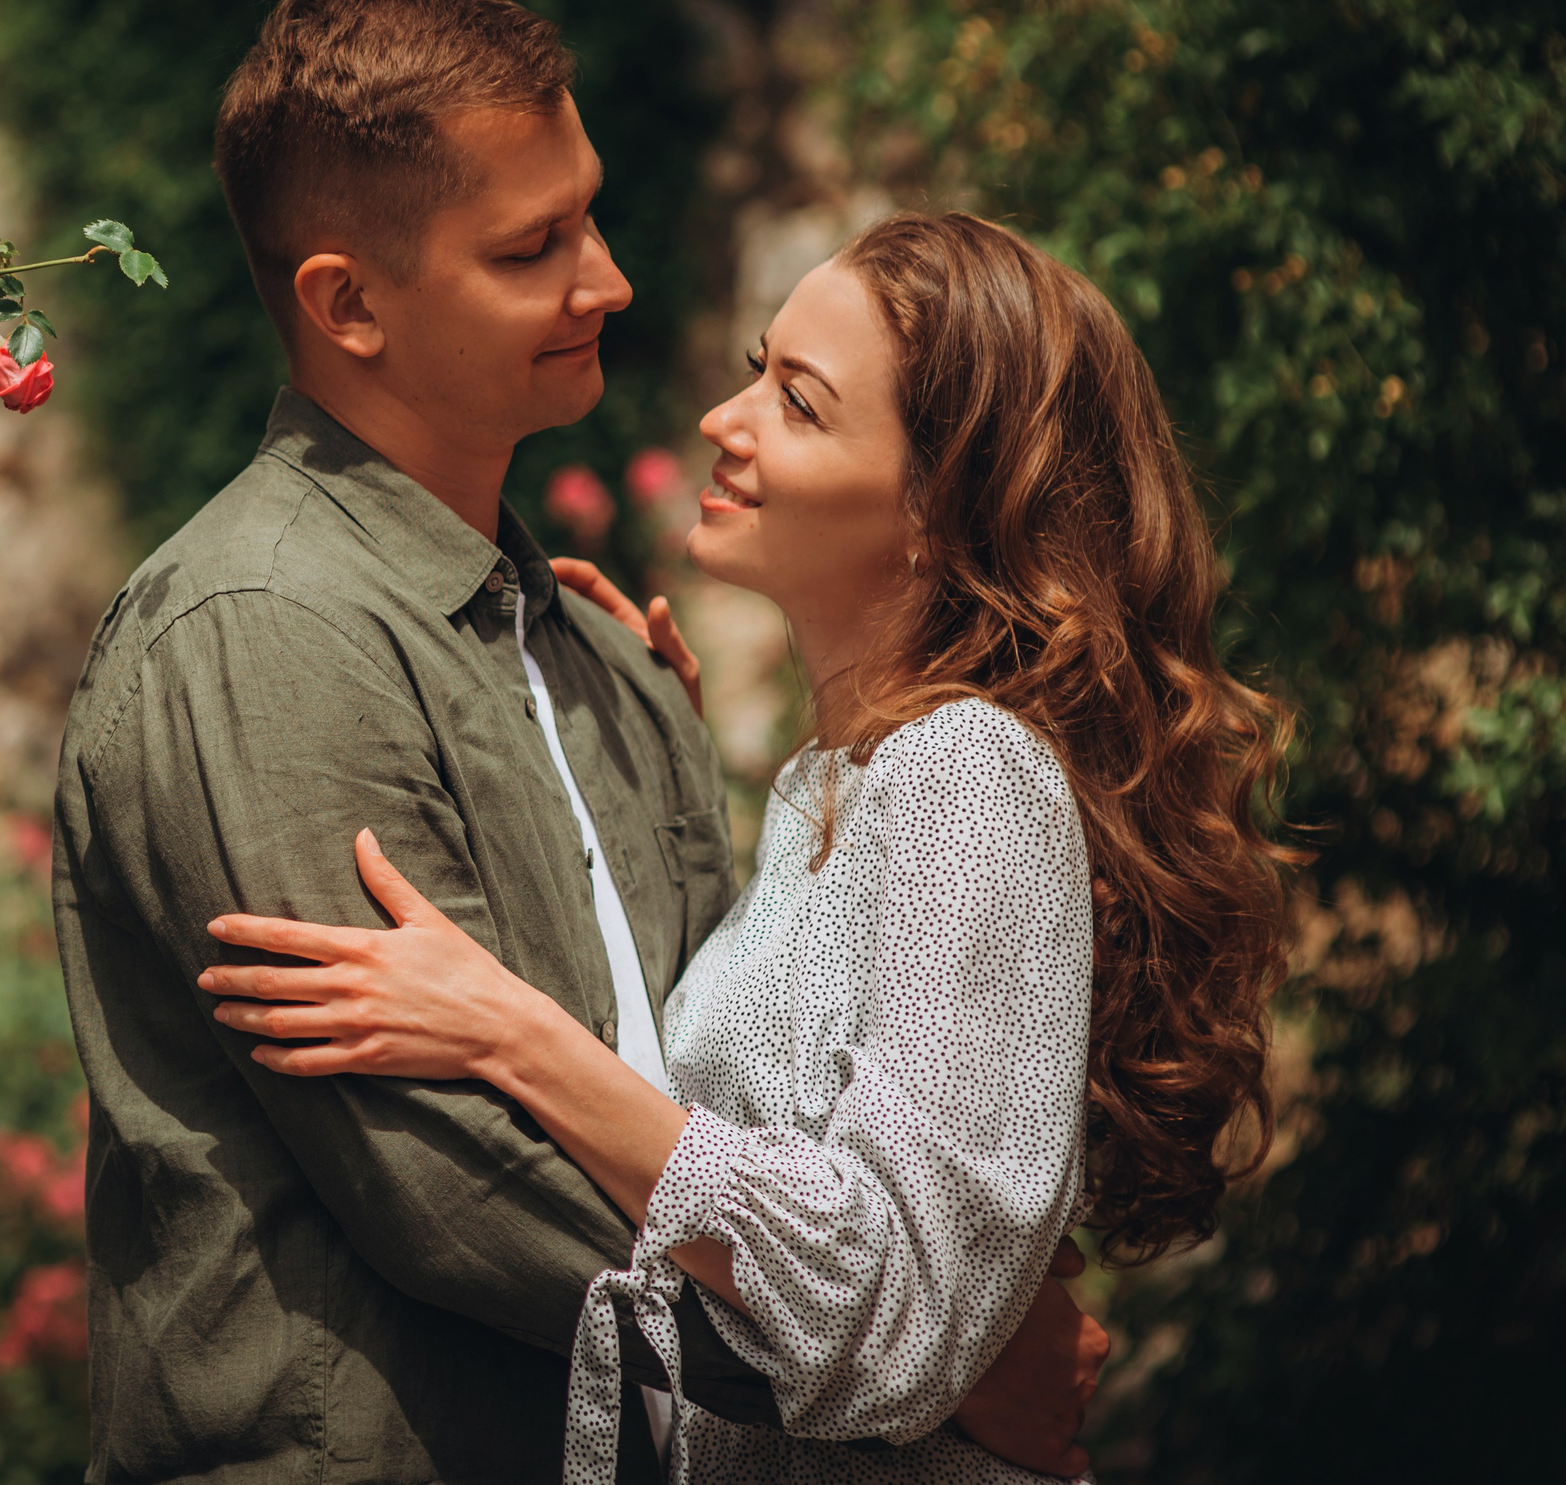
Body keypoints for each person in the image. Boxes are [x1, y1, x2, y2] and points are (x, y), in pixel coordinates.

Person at [50, 0, 1103, 1485]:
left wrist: (912, 1326)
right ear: (347, 303)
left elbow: (715, 1094)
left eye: (589, 216)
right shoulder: (260, 628)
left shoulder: (608, 665)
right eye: (532, 247)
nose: (605, 280)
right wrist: (918, 1366)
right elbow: (449, 1177)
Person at [199, 210, 1299, 1481]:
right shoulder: (838, 787)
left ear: (940, 509)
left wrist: (509, 1030)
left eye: (801, 402)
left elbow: (886, 1308)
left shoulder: (967, 775)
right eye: (754, 367)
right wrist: (651, 764)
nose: (730, 419)